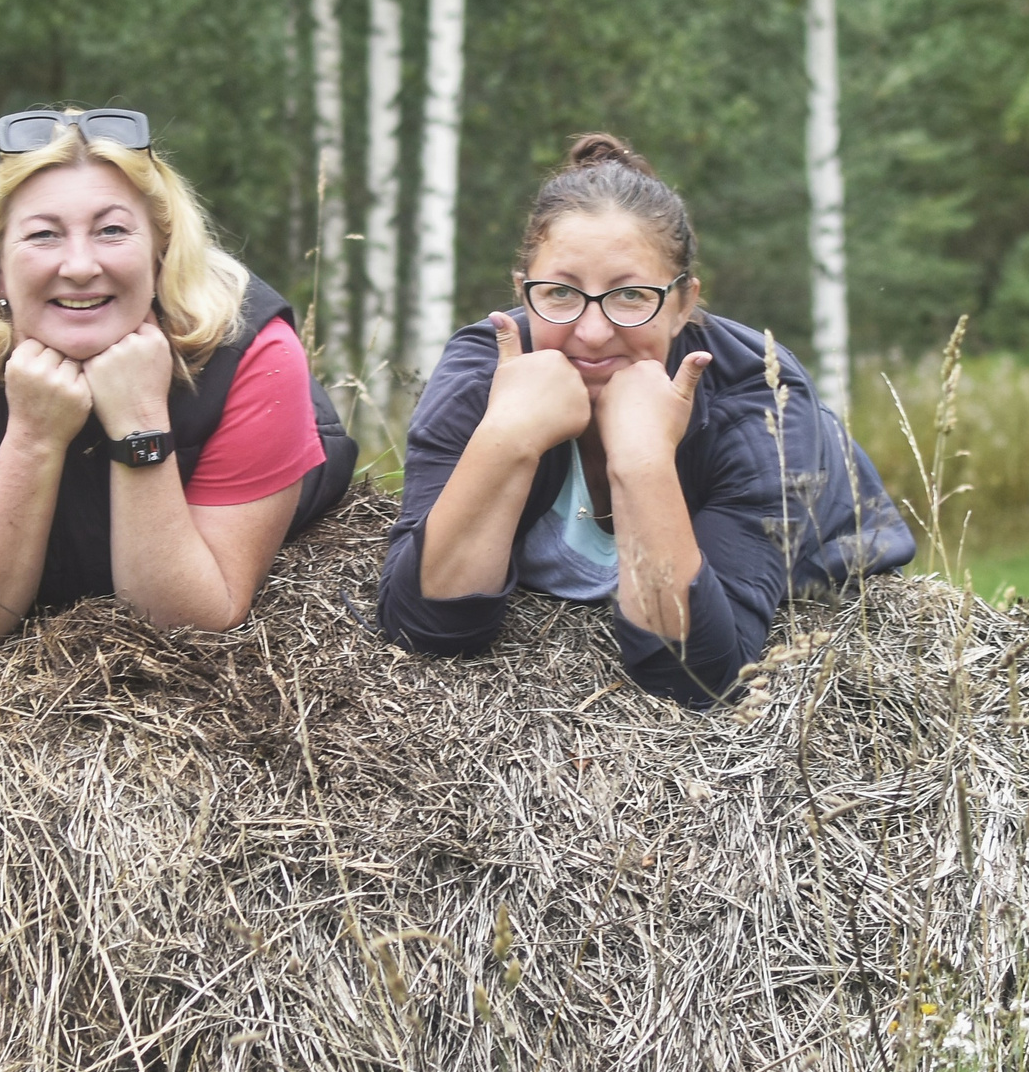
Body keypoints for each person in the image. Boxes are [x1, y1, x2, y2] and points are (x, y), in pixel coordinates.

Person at [379, 133, 915, 705]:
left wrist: (642, 459)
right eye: (559, 293)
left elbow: (696, 677)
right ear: (523, 292)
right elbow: (425, 627)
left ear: (683, 303)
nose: (592, 332)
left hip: (821, 577)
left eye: (631, 296)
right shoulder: (479, 369)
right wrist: (507, 437)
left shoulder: (760, 400)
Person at [0, 105, 356, 640]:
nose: (80, 266)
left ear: (161, 251)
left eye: (112, 230)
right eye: (44, 235)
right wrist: (33, 437)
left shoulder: (253, 348)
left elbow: (187, 622)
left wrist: (140, 419)